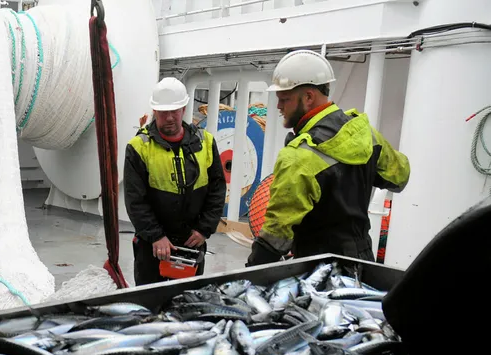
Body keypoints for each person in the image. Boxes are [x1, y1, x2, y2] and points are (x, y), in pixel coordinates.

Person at [247, 50, 411, 266]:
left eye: (284, 99)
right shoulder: (365, 134)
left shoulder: (299, 155)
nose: (278, 106)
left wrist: (249, 275)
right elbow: (399, 176)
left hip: (318, 271)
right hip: (362, 263)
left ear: (308, 97)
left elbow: (276, 234)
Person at [125, 77, 227, 286]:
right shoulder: (139, 147)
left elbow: (217, 189)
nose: (169, 117)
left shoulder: (205, 142)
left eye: (175, 111)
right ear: (154, 111)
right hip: (153, 246)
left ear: (184, 108)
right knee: (150, 304)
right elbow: (135, 199)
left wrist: (204, 229)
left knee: (189, 302)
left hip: (192, 241)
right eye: (163, 112)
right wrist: (155, 236)